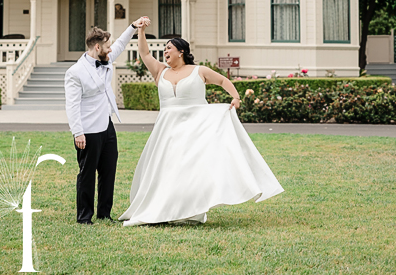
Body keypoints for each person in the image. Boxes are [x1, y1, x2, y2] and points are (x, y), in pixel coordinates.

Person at [118, 17, 283, 226]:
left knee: (191, 171)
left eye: (169, 48)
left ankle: (191, 211)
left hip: (195, 130)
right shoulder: (161, 71)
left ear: (181, 51)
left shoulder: (199, 71)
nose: (165, 52)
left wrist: (236, 97)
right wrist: (140, 30)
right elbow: (144, 53)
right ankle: (161, 208)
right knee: (166, 170)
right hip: (166, 131)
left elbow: (223, 80)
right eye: (164, 50)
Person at [64, 19, 141, 224]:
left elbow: (121, 44)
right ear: (97, 47)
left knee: (109, 171)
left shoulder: (105, 57)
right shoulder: (75, 72)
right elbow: (72, 105)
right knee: (87, 174)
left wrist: (133, 27)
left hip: (107, 126)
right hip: (87, 130)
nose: (110, 50)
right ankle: (84, 217)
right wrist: (77, 132)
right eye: (107, 46)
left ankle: (105, 214)